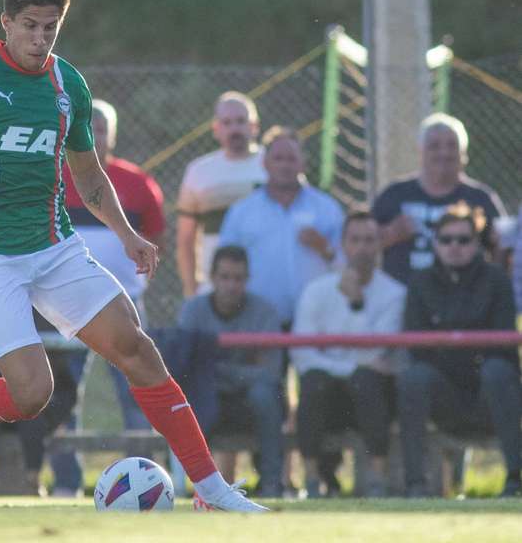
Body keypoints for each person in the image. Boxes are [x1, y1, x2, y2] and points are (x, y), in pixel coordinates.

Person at [0, 0, 266, 511]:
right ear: (6, 22)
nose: (40, 39)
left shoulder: (68, 84)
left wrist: (127, 235)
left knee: (136, 348)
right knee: (34, 394)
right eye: (30, 26)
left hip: (55, 247)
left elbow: (87, 173)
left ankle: (211, 490)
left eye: (50, 27)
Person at [47, 98, 165, 495]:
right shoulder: (56, 178)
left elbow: (153, 237)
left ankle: (145, 481)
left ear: (113, 135)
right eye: (88, 127)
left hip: (125, 307)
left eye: (102, 128)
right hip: (69, 306)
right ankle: (66, 482)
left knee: (138, 395)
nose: (94, 135)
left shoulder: (138, 183)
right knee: (64, 398)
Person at [398, 209, 521, 497]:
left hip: (490, 395)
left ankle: (515, 479)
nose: (454, 246)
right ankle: (416, 484)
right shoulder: (420, 282)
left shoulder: (495, 280)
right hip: (445, 395)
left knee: (497, 370)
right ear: (435, 243)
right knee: (414, 378)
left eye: (463, 239)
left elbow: (504, 346)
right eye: (446, 239)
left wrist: (451, 335)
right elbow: (416, 347)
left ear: (477, 244)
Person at [291, 212, 406, 498]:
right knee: (314, 381)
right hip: (328, 392)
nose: (362, 248)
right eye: (355, 240)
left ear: (380, 245)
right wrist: (351, 366)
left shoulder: (395, 293)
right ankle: (312, 481)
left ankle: (376, 479)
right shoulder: (316, 291)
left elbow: (379, 350)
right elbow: (303, 354)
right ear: (342, 245)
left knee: (366, 382)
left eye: (369, 240)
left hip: (368, 394)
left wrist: (356, 303)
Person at [177, 245, 285, 497]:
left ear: (247, 280)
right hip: (208, 400)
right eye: (225, 277)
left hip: (249, 403)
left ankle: (272, 484)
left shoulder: (264, 312)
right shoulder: (193, 311)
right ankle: (192, 485)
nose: (231, 286)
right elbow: (186, 369)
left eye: (238, 278)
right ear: (212, 278)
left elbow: (271, 372)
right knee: (190, 399)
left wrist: (215, 367)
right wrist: (243, 368)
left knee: (265, 395)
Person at [218, 125, 344, 330]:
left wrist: (324, 248)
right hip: (258, 320)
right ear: (264, 163)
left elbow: (346, 266)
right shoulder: (242, 212)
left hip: (317, 319)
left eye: (291, 159)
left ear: (303, 163)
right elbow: (224, 263)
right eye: (278, 158)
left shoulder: (327, 209)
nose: (285, 165)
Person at [372, 113, 507, 285]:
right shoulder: (394, 194)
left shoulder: (480, 198)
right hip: (401, 296)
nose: (444, 152)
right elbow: (358, 247)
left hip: (464, 299)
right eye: (434, 146)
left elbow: (502, 251)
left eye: (452, 146)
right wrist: (390, 234)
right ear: (420, 152)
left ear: (463, 153)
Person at [176, 91, 266, 297]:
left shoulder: (274, 164)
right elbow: (185, 240)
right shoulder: (198, 171)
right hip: (213, 287)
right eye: (227, 122)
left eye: (241, 121)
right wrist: (191, 289)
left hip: (263, 283)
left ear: (254, 126)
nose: (234, 128)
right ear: (216, 129)